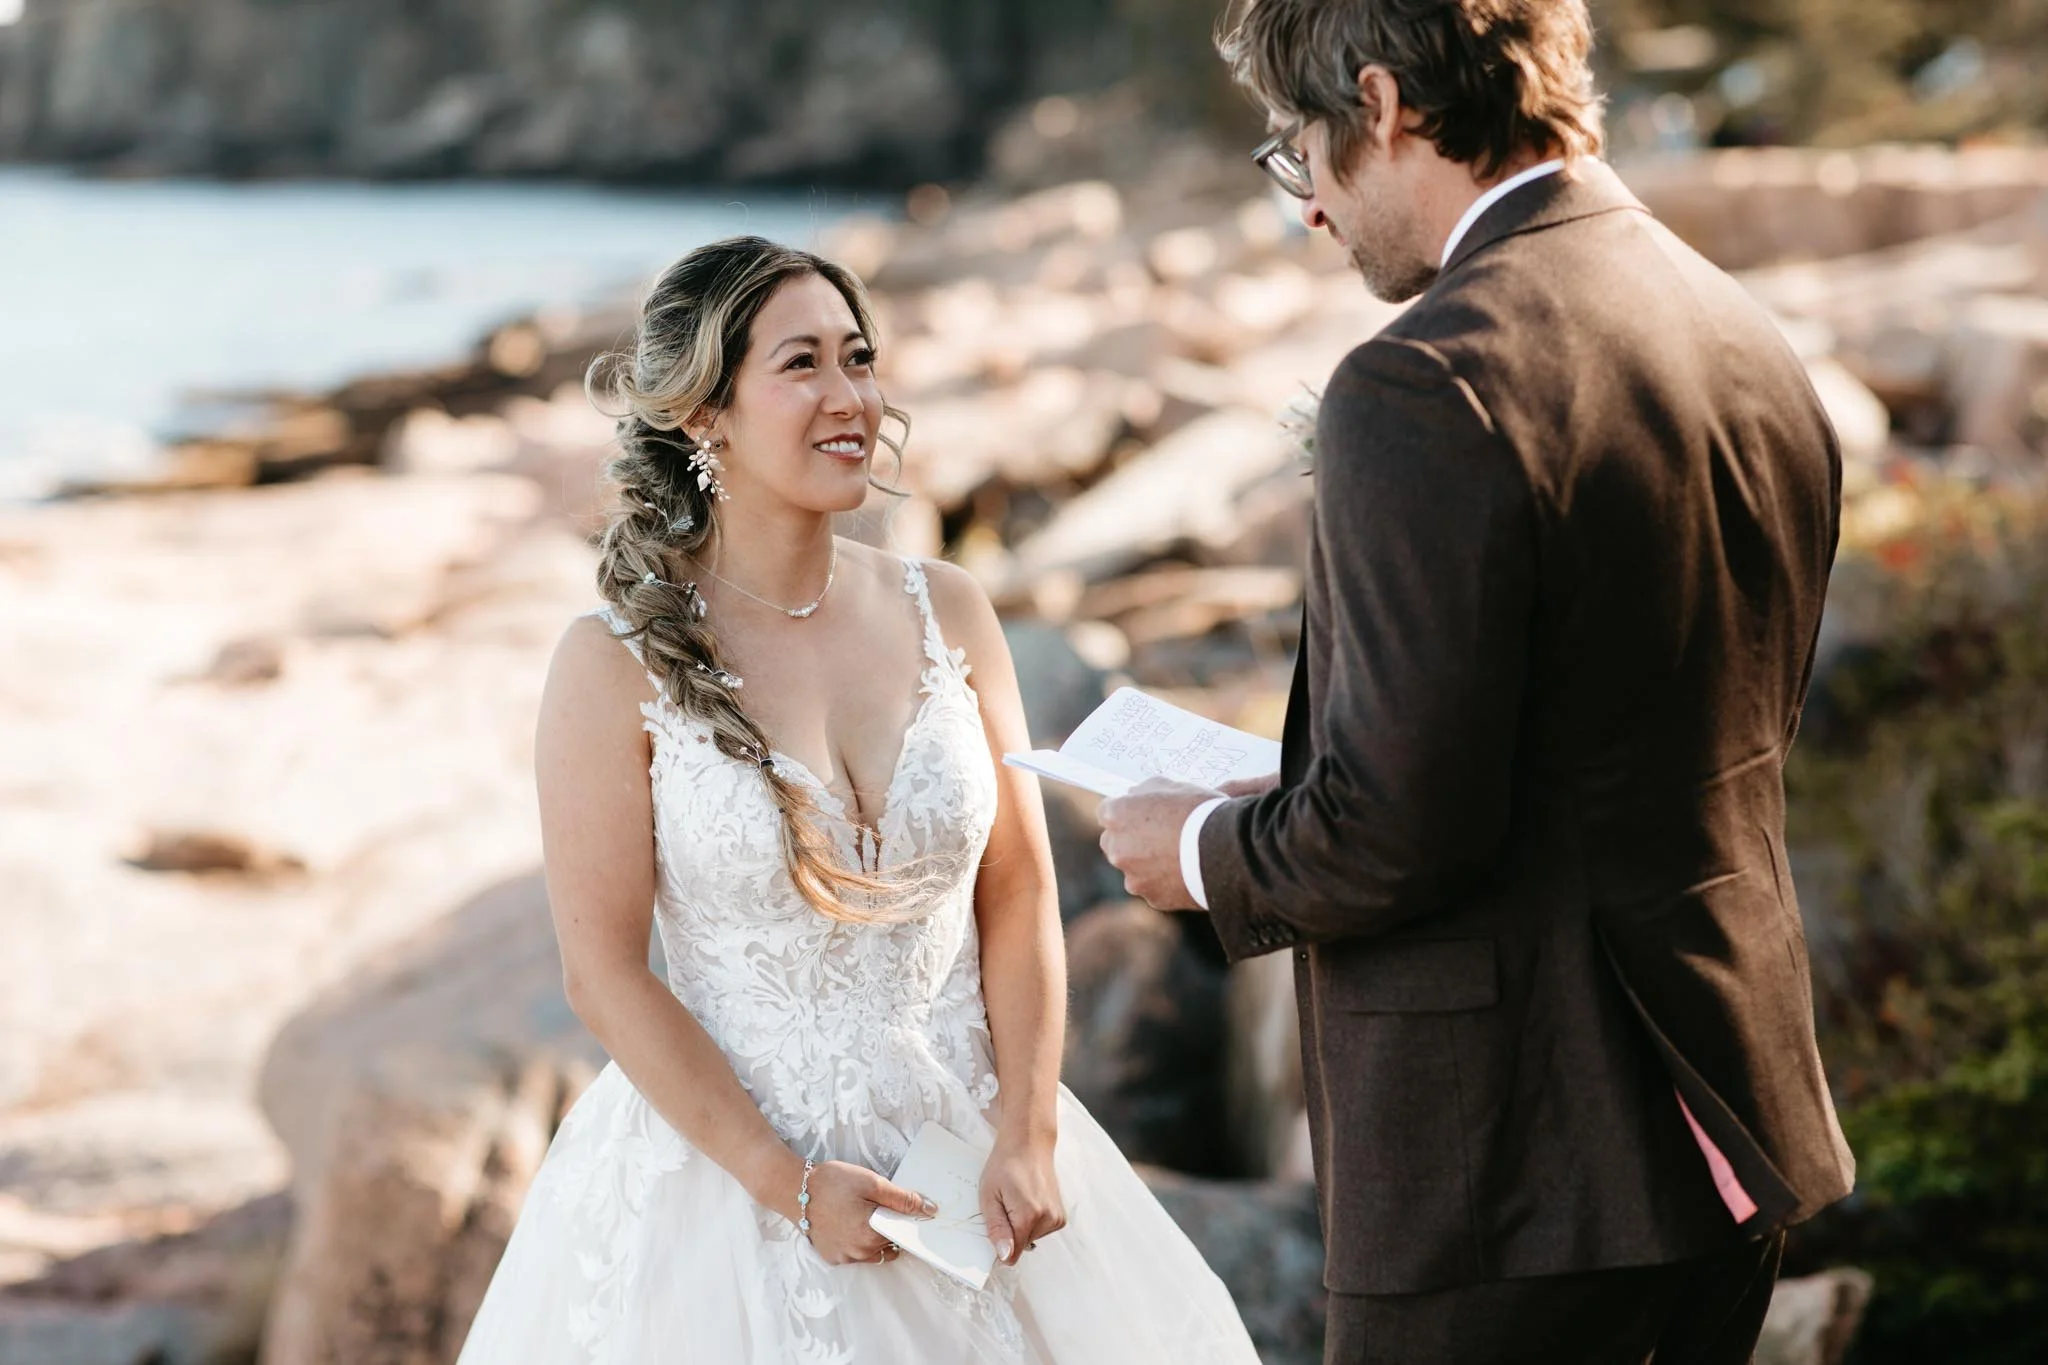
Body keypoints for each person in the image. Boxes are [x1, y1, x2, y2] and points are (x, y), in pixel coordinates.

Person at [1098, 3, 1856, 1362]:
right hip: (1730, 1115)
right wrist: (1316, 769)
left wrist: (1201, 851)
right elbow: (1631, 725)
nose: (1309, 209)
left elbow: (1395, 834)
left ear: (1381, 107)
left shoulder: (1423, 383)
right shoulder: (1735, 325)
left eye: (1297, 152)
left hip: (1506, 1168)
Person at [452, 236, 1260, 1363]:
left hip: (972, 1163)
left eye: (859, 357)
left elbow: (1019, 890)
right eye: (802, 365)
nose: (851, 398)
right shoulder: (608, 663)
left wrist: (1028, 1126)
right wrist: (784, 1184)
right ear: (705, 414)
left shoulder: (951, 609)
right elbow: (605, 974)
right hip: (732, 1185)